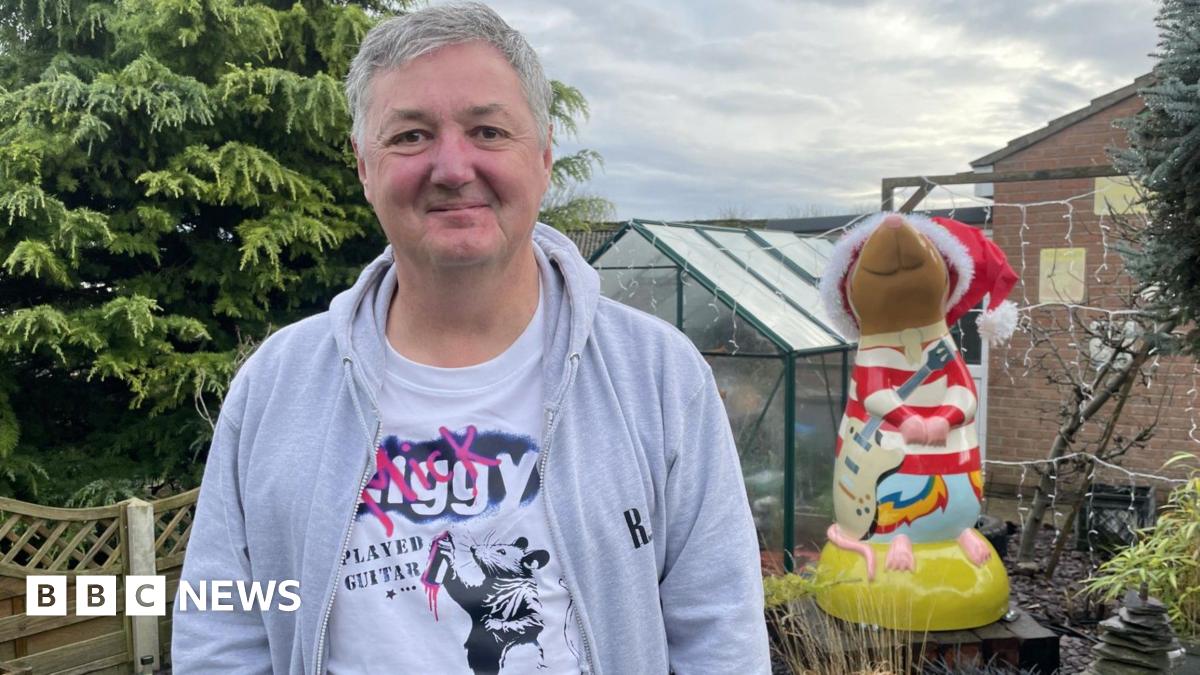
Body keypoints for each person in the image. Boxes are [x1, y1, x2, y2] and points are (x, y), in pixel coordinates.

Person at [172, 2, 769, 673]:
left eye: (488, 131)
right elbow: (221, 625)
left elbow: (721, 635)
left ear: (543, 155)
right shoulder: (276, 385)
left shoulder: (657, 377)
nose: (453, 167)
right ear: (363, 166)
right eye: (409, 136)